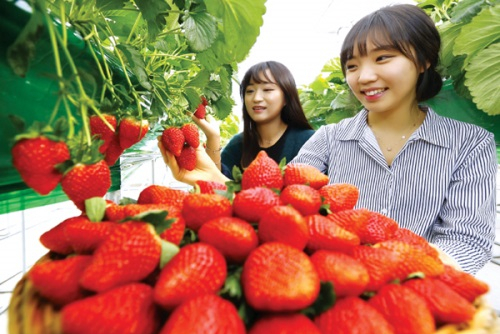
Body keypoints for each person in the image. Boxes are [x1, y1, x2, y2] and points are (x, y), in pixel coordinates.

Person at [159, 4, 497, 275]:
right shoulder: (329, 139)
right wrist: (213, 179)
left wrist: (398, 273)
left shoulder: (469, 144)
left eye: (383, 58)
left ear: (422, 60)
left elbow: (466, 241)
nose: (364, 77)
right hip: (335, 285)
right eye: (352, 65)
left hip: (421, 295)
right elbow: (279, 205)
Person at [192, 61, 315, 178]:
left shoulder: (309, 141)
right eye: (250, 91)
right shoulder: (238, 145)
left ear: (286, 97)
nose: (256, 98)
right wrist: (213, 137)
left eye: (267, 90)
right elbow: (216, 187)